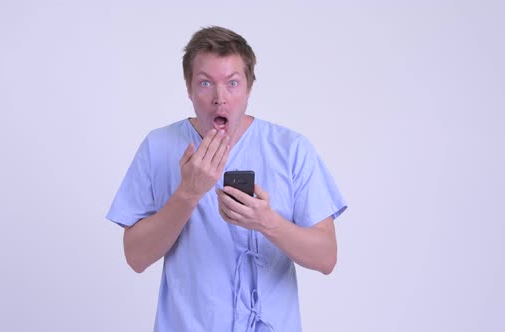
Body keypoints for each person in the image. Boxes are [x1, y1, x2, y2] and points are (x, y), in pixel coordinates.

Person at [106, 26, 347, 332]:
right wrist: (188, 194)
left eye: (232, 83)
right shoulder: (158, 147)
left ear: (249, 87)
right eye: (205, 83)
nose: (220, 99)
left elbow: (326, 257)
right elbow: (136, 257)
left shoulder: (292, 149)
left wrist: (267, 222)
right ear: (189, 88)